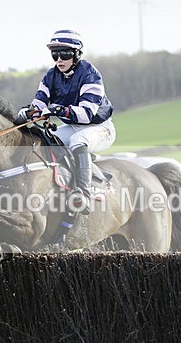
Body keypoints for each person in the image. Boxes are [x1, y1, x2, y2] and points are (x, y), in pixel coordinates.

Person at [16, 29, 115, 214]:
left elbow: (86, 114)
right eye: (55, 54)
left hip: (100, 128)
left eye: (65, 54)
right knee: (46, 140)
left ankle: (83, 193)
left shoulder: (90, 74)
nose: (59, 59)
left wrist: (60, 110)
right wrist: (28, 113)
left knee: (79, 140)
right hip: (72, 127)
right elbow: (39, 104)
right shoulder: (50, 76)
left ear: (76, 54)